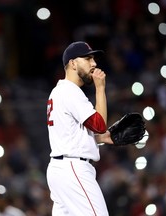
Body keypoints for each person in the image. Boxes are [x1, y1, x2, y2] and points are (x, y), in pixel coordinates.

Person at [46, 41, 114, 216]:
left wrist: (101, 138)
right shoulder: (70, 91)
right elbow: (99, 126)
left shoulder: (59, 91)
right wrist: (100, 88)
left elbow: (73, 133)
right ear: (73, 63)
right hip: (73, 169)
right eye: (88, 58)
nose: (94, 63)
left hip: (61, 169)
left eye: (94, 59)